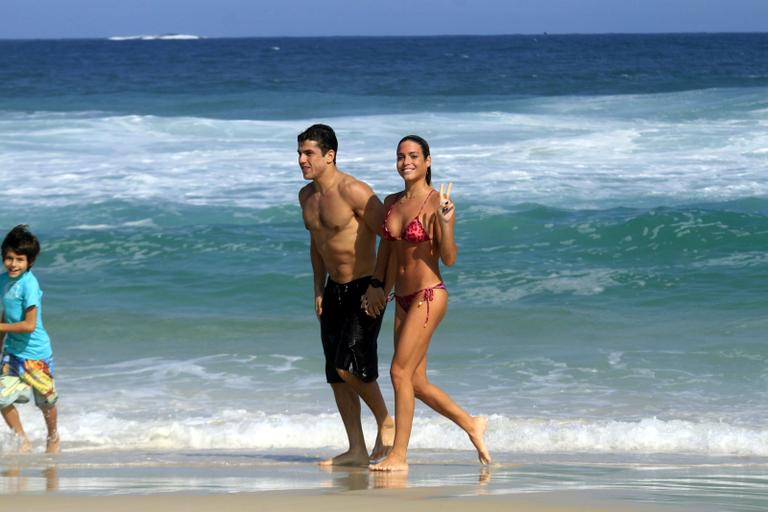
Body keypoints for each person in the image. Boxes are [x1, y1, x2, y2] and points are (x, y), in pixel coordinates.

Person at [367, 135, 491, 472]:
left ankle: (399, 456)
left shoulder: (438, 203)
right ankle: (471, 424)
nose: (406, 162)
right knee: (416, 382)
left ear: (428, 161)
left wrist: (447, 224)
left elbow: (449, 258)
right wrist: (377, 285)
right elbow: (387, 252)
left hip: (428, 295)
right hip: (402, 299)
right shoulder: (392, 202)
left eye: (413, 156)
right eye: (400, 156)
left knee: (397, 372)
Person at [297, 124, 395, 466]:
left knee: (349, 366)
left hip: (365, 286)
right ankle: (356, 449)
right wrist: (317, 288)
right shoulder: (306, 197)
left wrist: (380, 284)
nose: (301, 160)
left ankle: (385, 419)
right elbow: (316, 243)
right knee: (335, 375)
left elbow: (391, 235)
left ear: (329, 155)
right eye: (299, 153)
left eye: (309, 153)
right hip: (333, 290)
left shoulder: (354, 191)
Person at [0, 225, 59, 454]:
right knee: (1, 398)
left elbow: (28, 325)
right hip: (13, 353)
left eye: (19, 259)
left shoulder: (30, 284)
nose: (13, 264)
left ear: (30, 262)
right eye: (8, 258)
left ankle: (53, 436)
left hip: (37, 355)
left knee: (46, 401)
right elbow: (5, 313)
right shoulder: (3, 281)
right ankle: (21, 438)